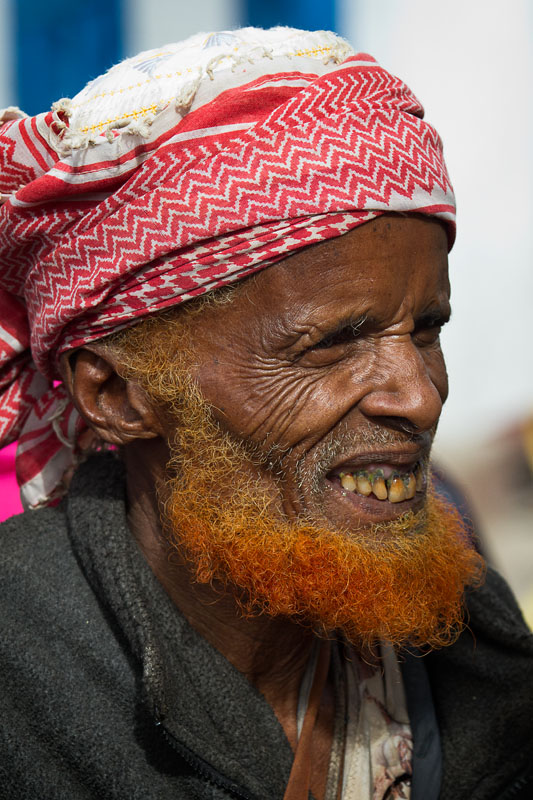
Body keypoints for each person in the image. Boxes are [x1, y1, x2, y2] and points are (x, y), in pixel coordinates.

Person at [0, 27, 531, 800]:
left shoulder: (462, 629)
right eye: (332, 344)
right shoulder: (21, 669)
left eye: (425, 330)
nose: (416, 396)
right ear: (115, 395)